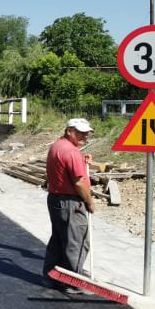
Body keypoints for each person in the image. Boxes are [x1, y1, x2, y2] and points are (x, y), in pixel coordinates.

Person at [42, 118, 95, 292]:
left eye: (86, 133)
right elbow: (79, 183)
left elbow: (65, 167)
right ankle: (71, 281)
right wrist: (89, 201)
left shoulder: (57, 146)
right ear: (69, 131)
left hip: (56, 199)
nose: (84, 136)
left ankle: (51, 277)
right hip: (71, 203)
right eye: (80, 133)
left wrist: (81, 160)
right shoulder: (71, 152)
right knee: (76, 242)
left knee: (58, 238)